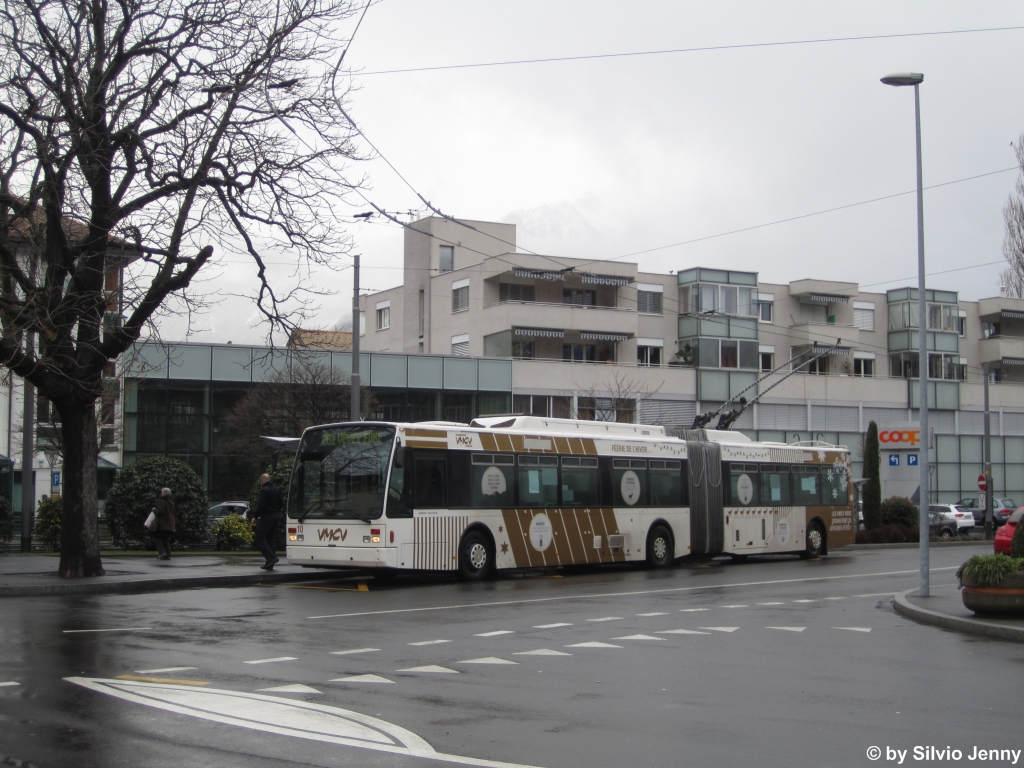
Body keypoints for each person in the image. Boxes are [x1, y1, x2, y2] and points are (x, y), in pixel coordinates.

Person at [252, 473, 283, 570]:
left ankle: (271, 558)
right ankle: (270, 564)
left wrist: (255, 516)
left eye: (260, 481)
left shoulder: (264, 490)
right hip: (275, 516)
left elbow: (261, 505)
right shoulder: (276, 490)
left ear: (262, 480)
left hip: (267, 516)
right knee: (271, 539)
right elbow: (281, 503)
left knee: (259, 538)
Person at [153, 487, 176, 561]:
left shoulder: (162, 501)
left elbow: (160, 511)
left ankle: (162, 552)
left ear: (163, 493)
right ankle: (168, 554)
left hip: (163, 523)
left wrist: (154, 510)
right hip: (170, 523)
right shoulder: (171, 502)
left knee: (158, 538)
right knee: (165, 539)